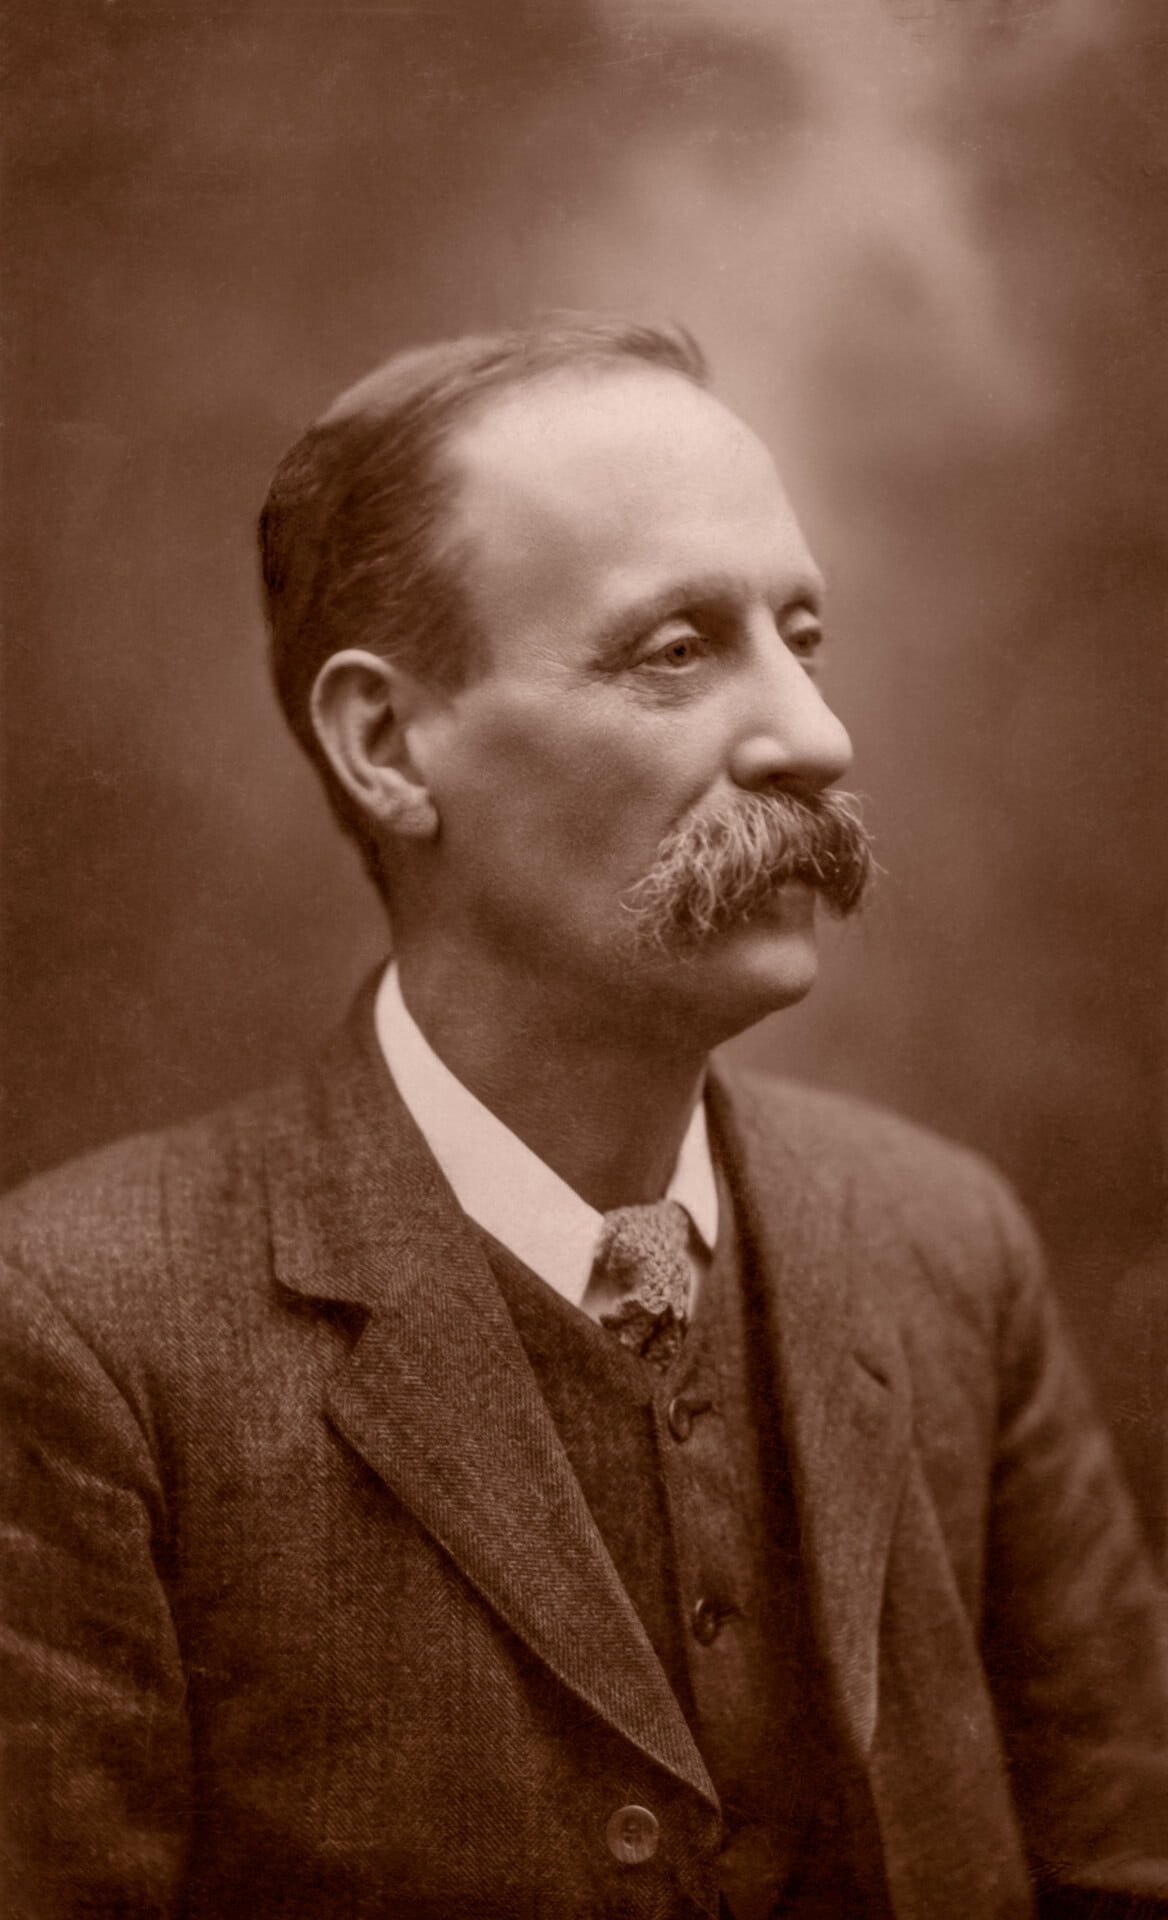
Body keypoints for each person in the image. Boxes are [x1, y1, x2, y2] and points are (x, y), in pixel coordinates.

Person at [2, 318, 1166, 1920]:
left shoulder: (946, 1241)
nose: (813, 739)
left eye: (801, 635)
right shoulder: (85, 1336)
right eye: (676, 652)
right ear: (390, 745)